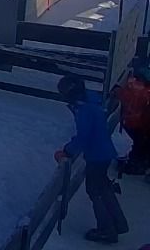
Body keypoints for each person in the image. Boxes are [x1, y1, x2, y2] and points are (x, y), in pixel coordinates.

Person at [55, 74, 128, 244]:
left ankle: (107, 230)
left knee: (95, 191)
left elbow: (84, 136)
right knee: (104, 189)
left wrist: (67, 150)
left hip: (96, 156)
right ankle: (118, 222)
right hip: (104, 153)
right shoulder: (92, 102)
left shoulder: (84, 109)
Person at [115, 58, 150, 175]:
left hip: (134, 123)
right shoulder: (143, 92)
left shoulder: (133, 87)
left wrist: (117, 91)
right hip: (140, 124)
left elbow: (122, 94)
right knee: (141, 145)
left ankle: (135, 164)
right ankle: (136, 164)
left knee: (139, 145)